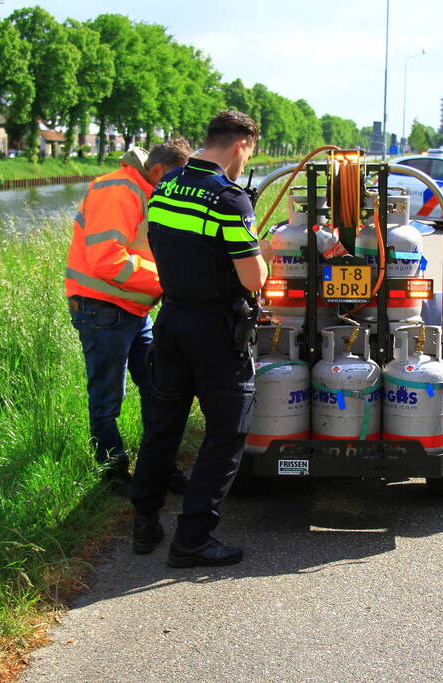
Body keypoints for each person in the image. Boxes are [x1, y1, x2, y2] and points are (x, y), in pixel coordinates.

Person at [129, 111, 273, 567]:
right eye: (249, 152)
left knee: (163, 426)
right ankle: (193, 538)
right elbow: (252, 279)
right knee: (228, 431)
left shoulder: (164, 188)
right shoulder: (230, 200)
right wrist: (264, 251)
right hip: (215, 331)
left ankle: (145, 523)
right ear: (240, 146)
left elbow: (161, 247)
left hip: (170, 322)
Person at [65, 139, 191, 493]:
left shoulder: (145, 190)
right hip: (102, 308)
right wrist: (167, 282)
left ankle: (158, 467)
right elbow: (107, 259)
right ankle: (114, 473)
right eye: (175, 177)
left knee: (157, 387)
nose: (179, 186)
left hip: (133, 308)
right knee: (108, 396)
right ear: (156, 170)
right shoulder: (120, 189)